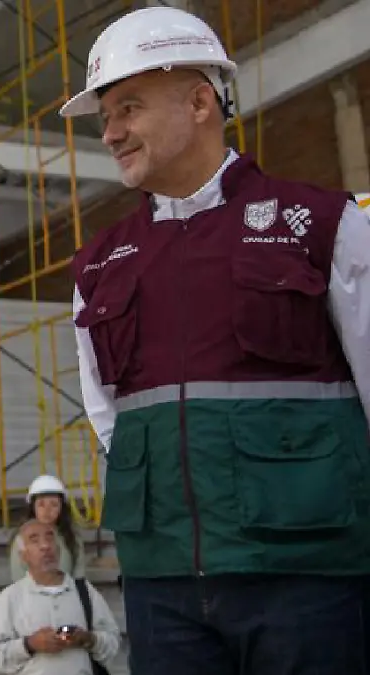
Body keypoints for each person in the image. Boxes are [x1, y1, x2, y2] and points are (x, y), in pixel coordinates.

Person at [62, 6, 370, 675]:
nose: (110, 133)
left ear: (200, 100)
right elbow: (108, 414)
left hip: (308, 577)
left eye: (128, 108)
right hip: (161, 583)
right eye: (105, 117)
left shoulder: (323, 225)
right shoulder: (98, 265)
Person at [0, 519, 121, 675]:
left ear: (59, 549)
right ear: (23, 555)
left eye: (50, 538)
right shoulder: (10, 598)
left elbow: (113, 642)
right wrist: (29, 644)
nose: (45, 546)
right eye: (34, 540)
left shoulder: (84, 591)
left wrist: (87, 639)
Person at [8, 475, 86, 581]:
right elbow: (18, 580)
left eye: (54, 504)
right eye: (41, 504)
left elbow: (79, 578)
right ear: (33, 507)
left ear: (61, 508)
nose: (47, 510)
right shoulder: (21, 539)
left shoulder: (72, 537)